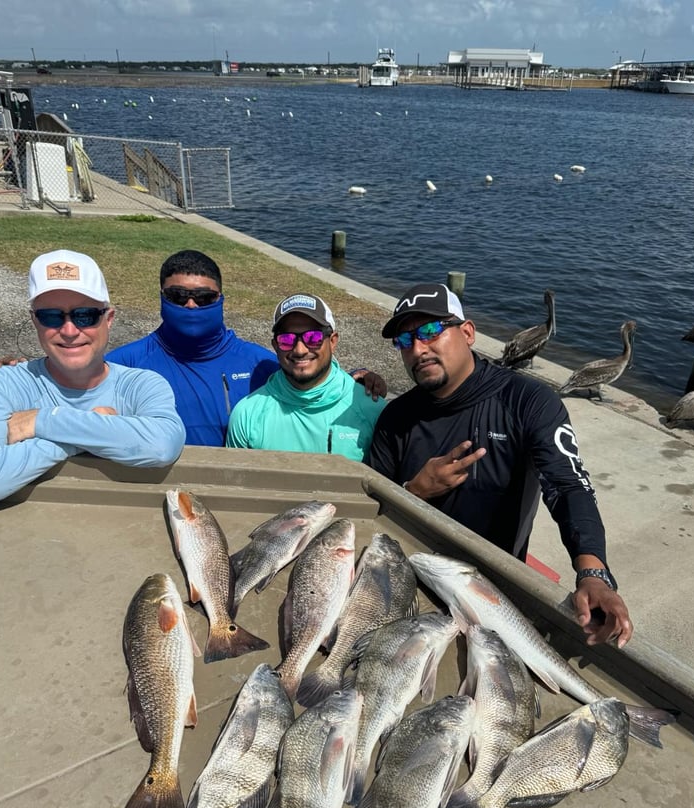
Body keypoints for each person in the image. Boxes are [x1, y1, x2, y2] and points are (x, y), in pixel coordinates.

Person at [367, 282, 633, 647]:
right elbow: (370, 512)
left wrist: (593, 573)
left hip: (494, 589)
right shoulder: (395, 418)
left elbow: (568, 486)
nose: (418, 348)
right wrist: (415, 492)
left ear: (468, 332)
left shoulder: (529, 402)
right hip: (410, 577)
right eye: (404, 340)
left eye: (430, 330)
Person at [0, 249, 185, 508]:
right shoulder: (3, 384)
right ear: (34, 321)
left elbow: (162, 445)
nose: (70, 331)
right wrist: (80, 433)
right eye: (51, 316)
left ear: (109, 319)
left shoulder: (142, 384)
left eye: (85, 315)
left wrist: (41, 421)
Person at [105, 249, 384, 446]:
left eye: (203, 298)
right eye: (178, 296)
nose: (191, 305)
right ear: (162, 297)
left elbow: (307, 377)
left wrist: (355, 378)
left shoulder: (259, 364)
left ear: (221, 299)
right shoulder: (121, 366)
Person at [226, 293, 386, 460]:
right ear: (275, 346)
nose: (300, 350)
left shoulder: (373, 411)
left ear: (332, 341)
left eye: (313, 337)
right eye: (286, 339)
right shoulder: (246, 415)